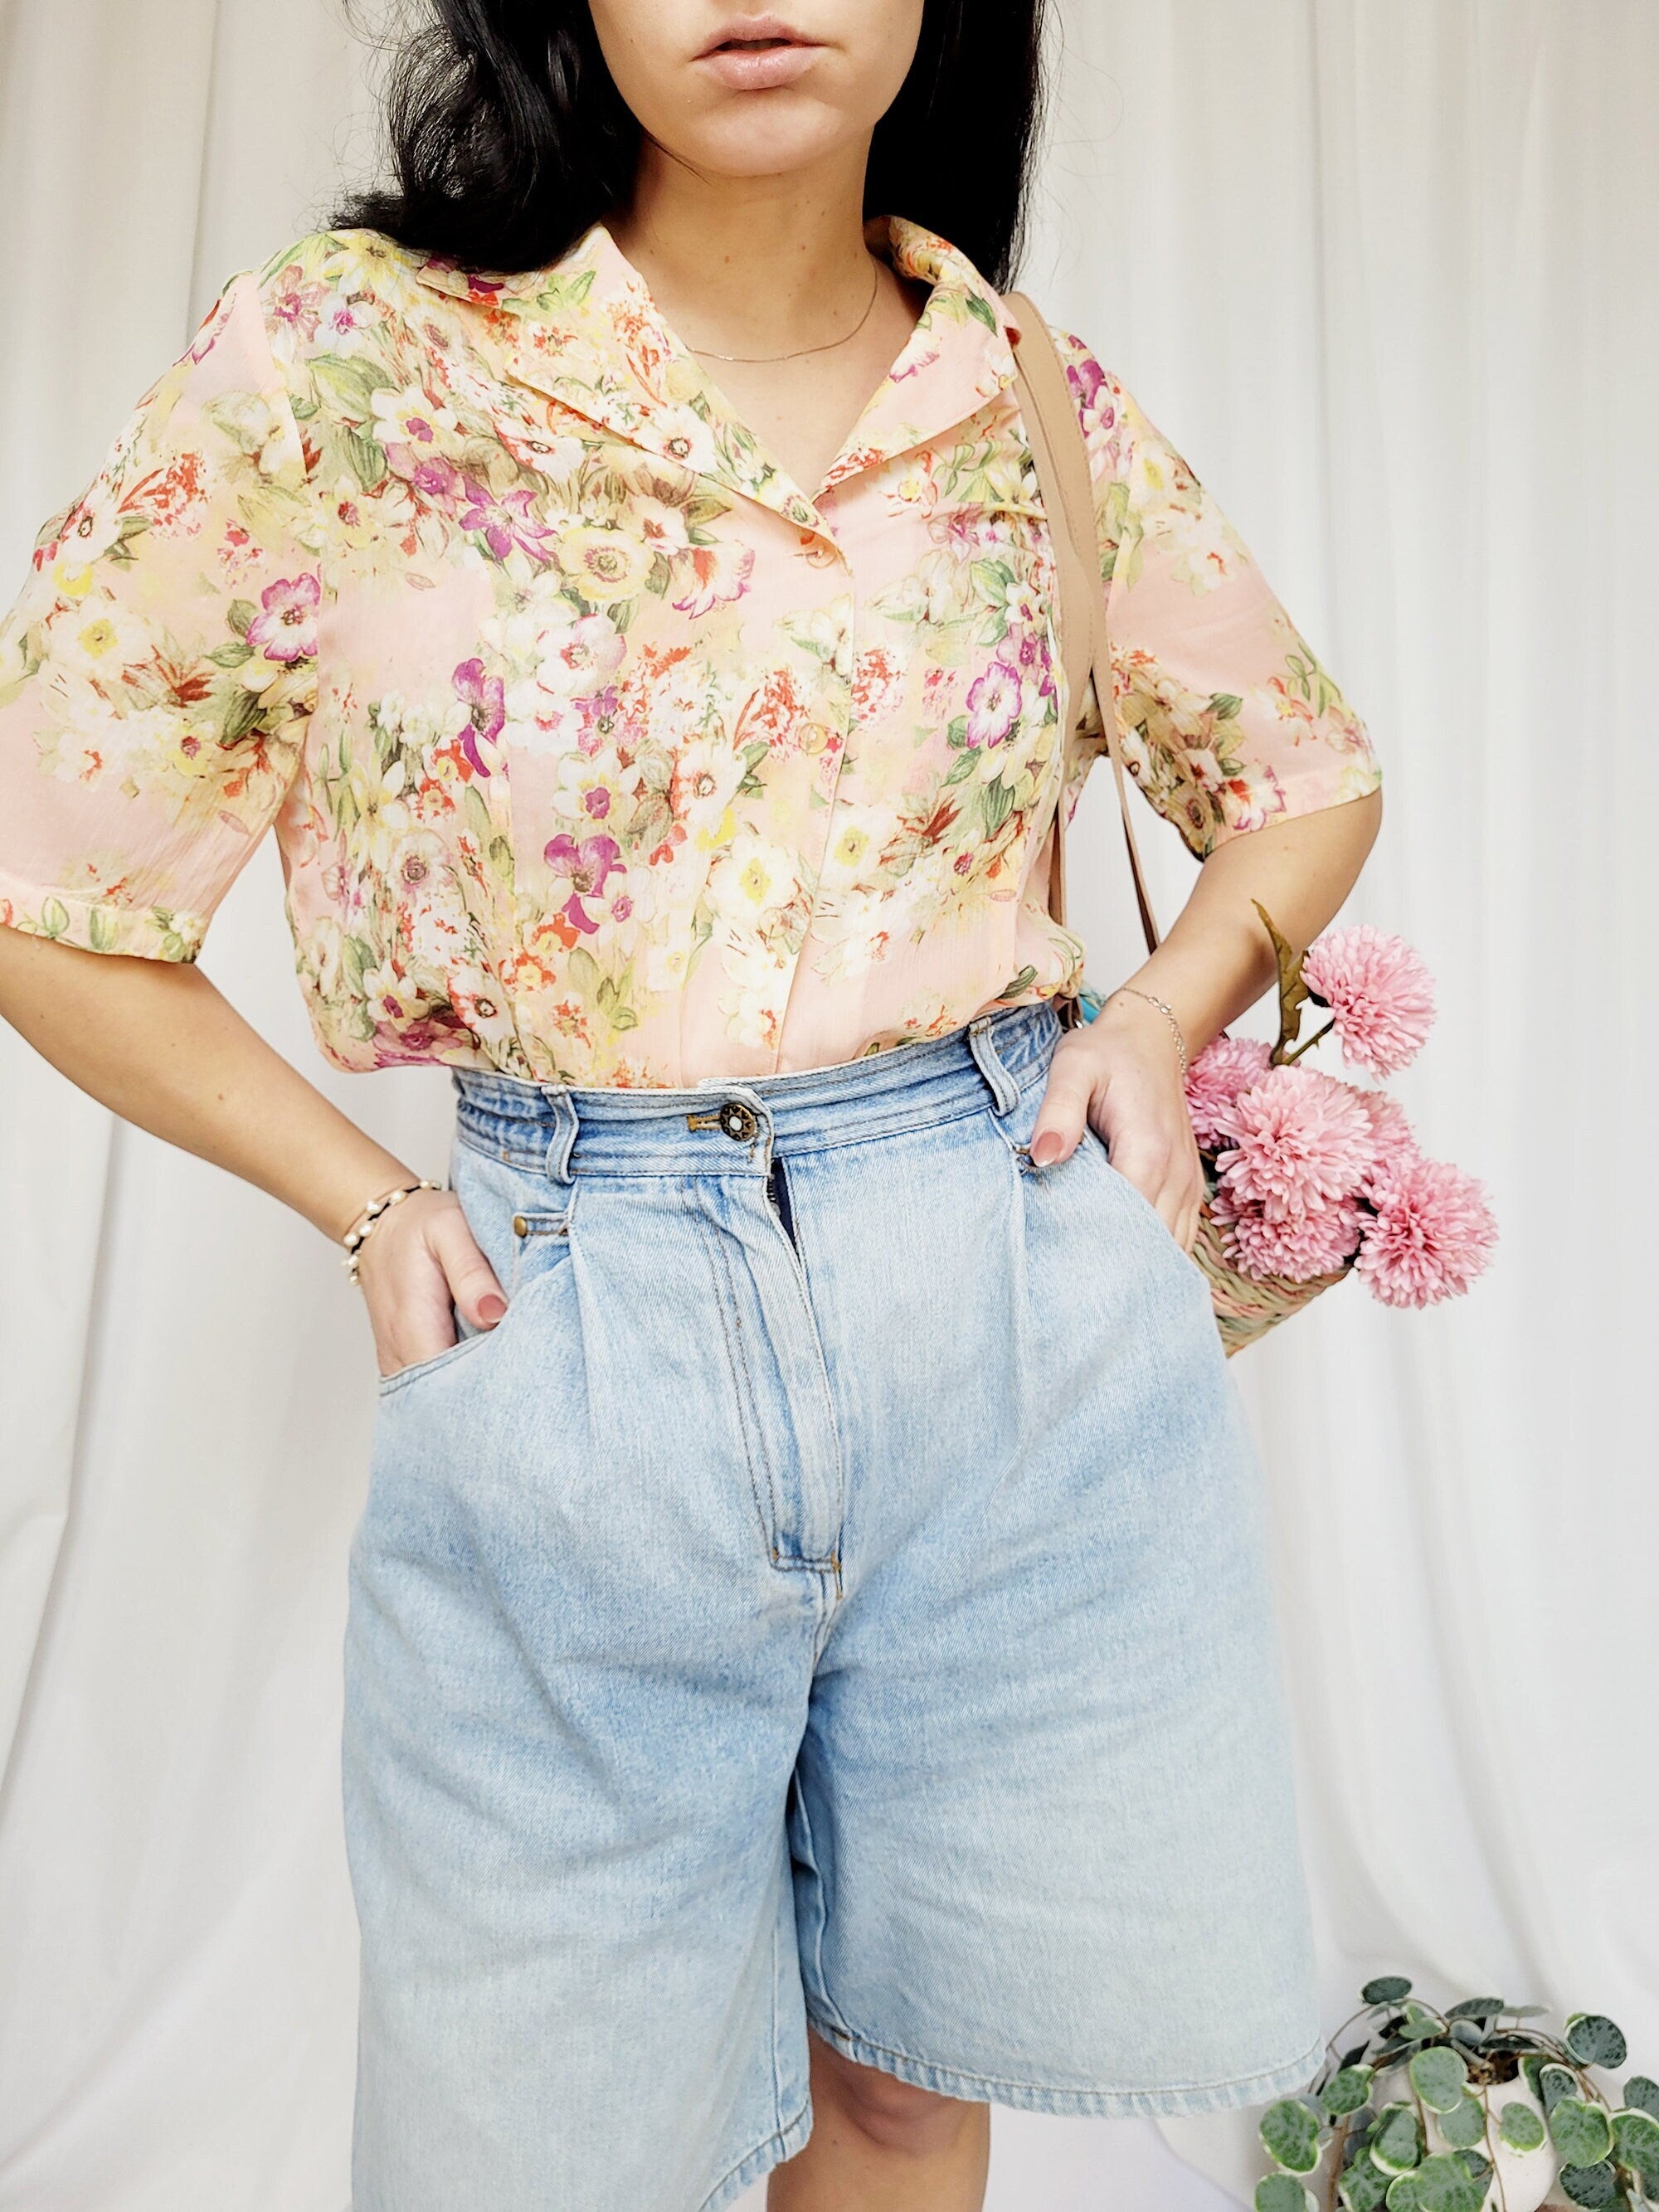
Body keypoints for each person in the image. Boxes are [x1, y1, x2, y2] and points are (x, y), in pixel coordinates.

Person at [0, 2, 1383, 2207]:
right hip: (574, 1334)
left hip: (1004, 1313)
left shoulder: (1019, 390)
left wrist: (1159, 1014)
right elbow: (43, 886)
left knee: (916, 2078)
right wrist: (364, 1203)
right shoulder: (351, 370)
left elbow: (1302, 777)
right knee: (545, 2144)